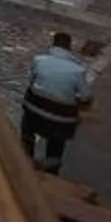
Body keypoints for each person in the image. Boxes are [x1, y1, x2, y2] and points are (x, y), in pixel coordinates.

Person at [20, 32, 96, 171]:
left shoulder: (39, 60)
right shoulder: (77, 70)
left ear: (53, 45)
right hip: (61, 120)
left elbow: (31, 81)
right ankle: (52, 167)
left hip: (34, 112)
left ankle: (25, 158)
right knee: (56, 143)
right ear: (69, 48)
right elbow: (86, 97)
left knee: (27, 129)